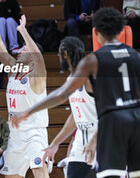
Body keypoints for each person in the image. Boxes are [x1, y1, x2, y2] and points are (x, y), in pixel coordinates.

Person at [11, 7, 140, 178]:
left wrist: (28, 111)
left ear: (96, 32)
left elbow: (61, 95)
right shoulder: (135, 56)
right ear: (119, 30)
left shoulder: (95, 60)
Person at [0, 0, 50, 178]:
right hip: (15, 133)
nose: (19, 51)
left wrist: (23, 32)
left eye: (23, 49)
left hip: (34, 132)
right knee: (11, 175)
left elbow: (39, 57)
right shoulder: (14, 69)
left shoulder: (37, 75)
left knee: (39, 171)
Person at [42, 37, 97, 178]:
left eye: (60, 53)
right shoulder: (71, 79)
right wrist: (55, 143)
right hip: (81, 143)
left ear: (66, 54)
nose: (58, 56)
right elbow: (75, 116)